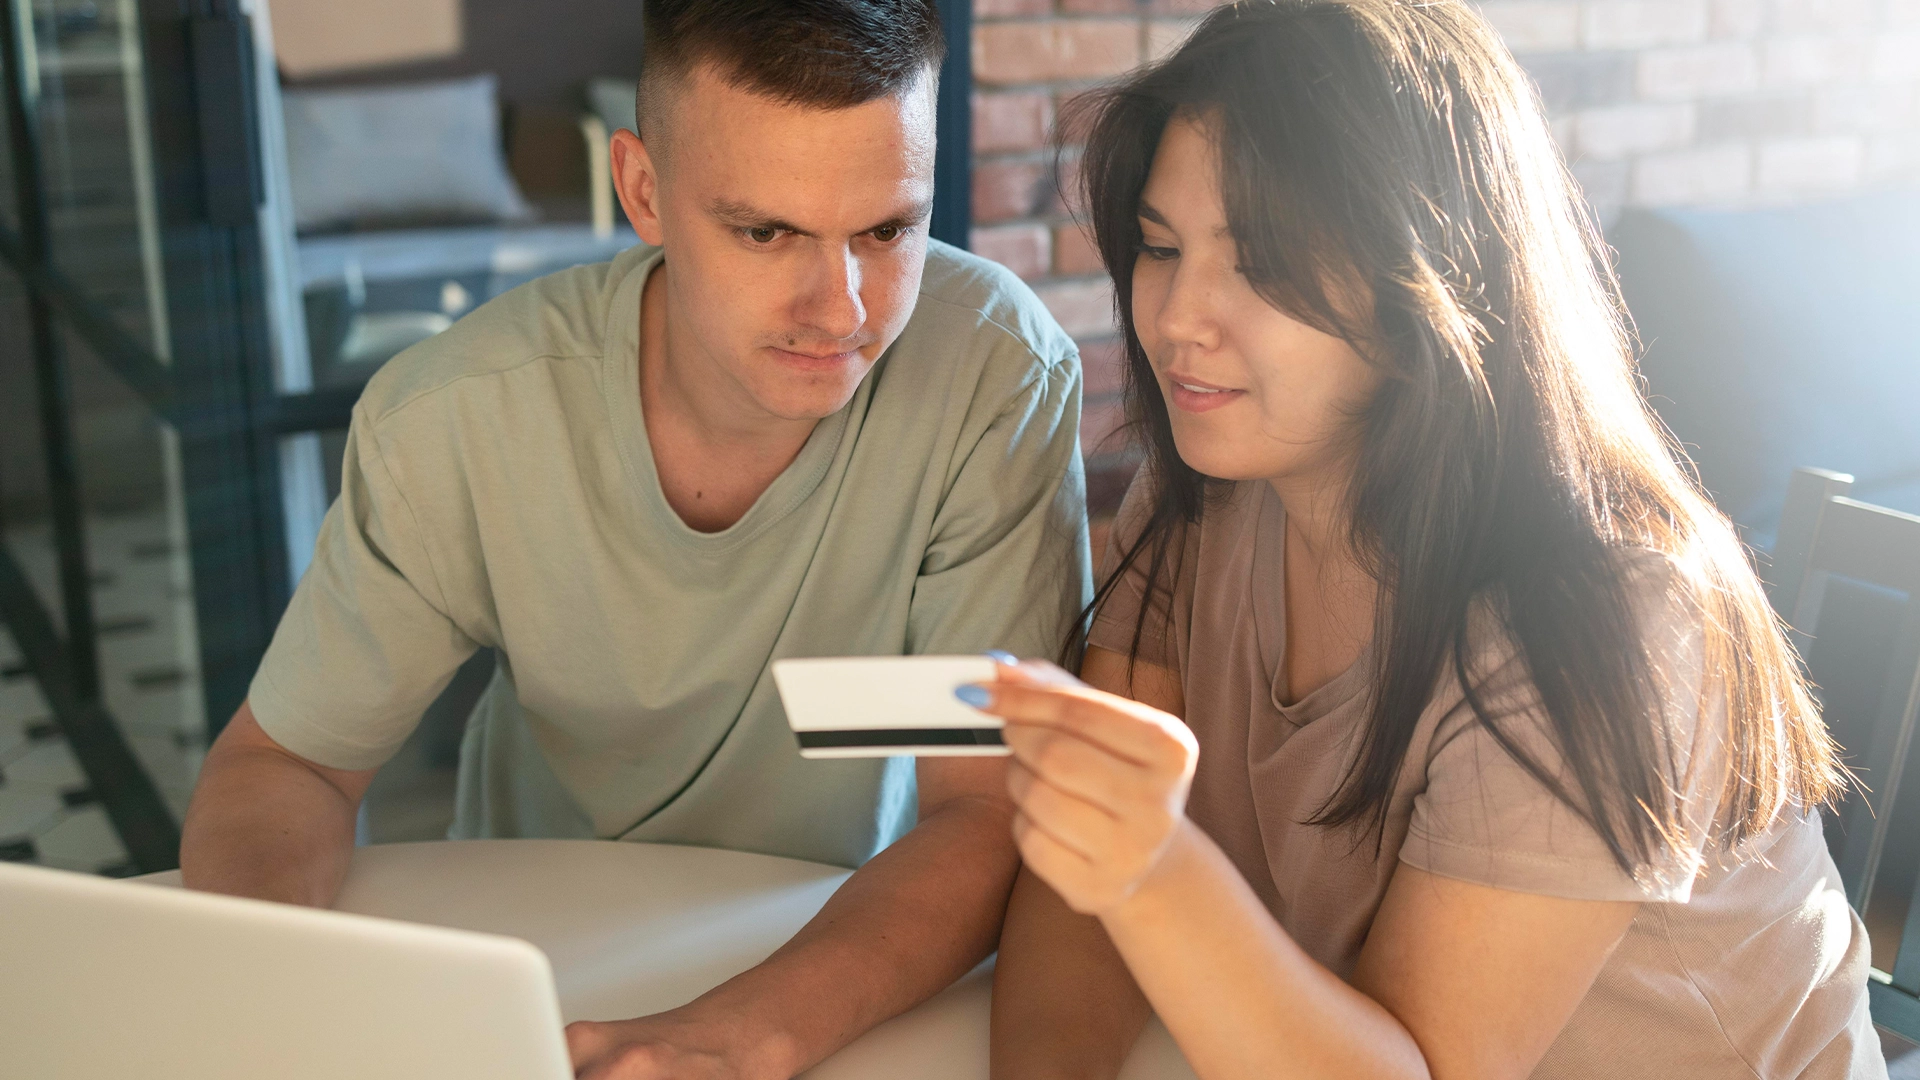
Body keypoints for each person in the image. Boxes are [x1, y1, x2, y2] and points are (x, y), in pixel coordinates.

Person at [970, 2, 1886, 1078]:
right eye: (1161, 248)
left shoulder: (1614, 610)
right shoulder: (1200, 498)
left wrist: (1153, 868)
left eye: (1261, 264)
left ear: (1433, 282)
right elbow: (1079, 913)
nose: (1176, 317)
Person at [180, 2, 1090, 1077]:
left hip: (854, 959)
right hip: (527, 956)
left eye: (888, 231)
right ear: (643, 191)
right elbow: (287, 765)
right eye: (766, 231)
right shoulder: (455, 416)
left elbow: (983, 812)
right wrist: (257, 1008)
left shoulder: (995, 377)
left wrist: (738, 1040)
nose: (839, 308)